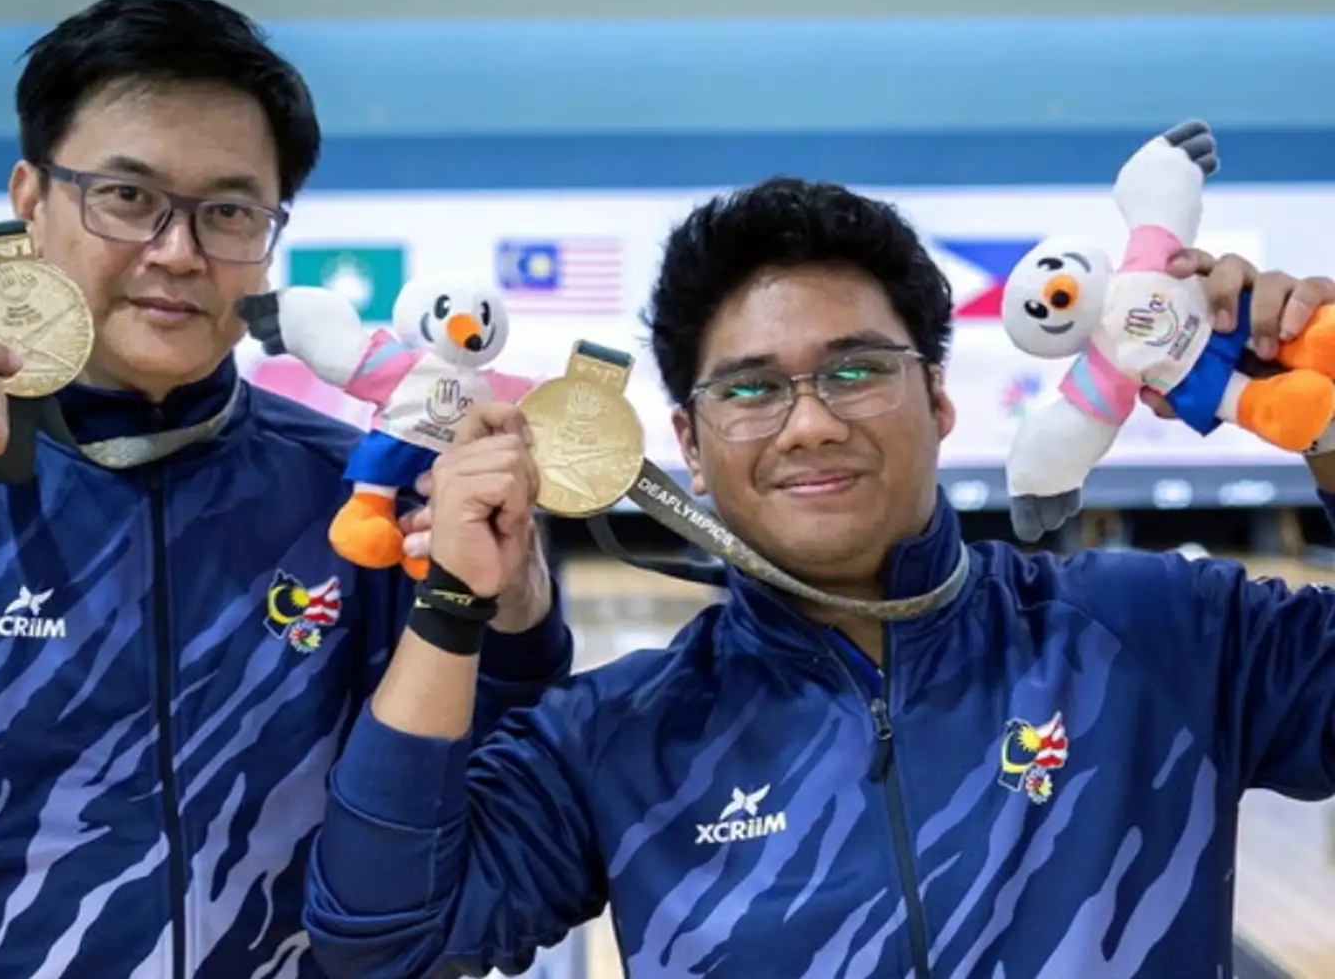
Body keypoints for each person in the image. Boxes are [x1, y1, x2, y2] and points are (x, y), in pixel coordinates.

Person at [301, 173, 1335, 978]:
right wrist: (451, 607)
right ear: (689, 445)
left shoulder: (1158, 632)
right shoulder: (617, 737)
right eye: (750, 389)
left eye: (855, 370)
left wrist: (1330, 427)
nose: (809, 422)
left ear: (937, 398)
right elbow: (380, 944)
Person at [0, 0, 569, 979]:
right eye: (127, 196)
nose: (177, 252)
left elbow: (484, 809)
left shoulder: (347, 496)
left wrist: (517, 615)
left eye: (229, 212)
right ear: (31, 199)